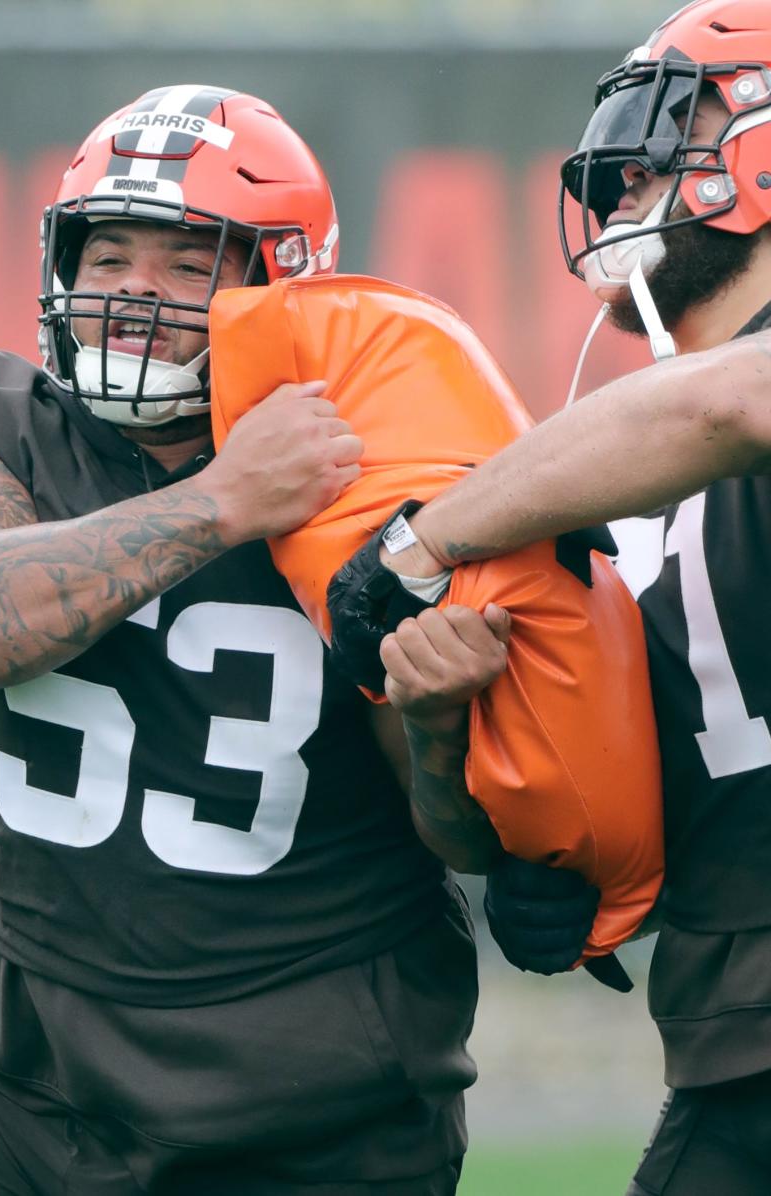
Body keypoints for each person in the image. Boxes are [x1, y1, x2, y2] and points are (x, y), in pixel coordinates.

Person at [0, 85, 521, 1196]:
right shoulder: (8, 428)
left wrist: (435, 724)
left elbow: (465, 839)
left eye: (189, 265)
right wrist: (219, 504)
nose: (136, 295)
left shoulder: (375, 471)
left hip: (308, 1105)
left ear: (282, 283)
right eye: (110, 258)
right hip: (14, 1076)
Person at [334, 3, 771, 1192]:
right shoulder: (618, 489)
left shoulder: (678, 422)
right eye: (619, 171)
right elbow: (501, 819)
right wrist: (507, 811)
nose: (627, 191)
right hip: (736, 1046)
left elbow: (732, 404)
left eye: (663, 152)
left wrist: (422, 538)